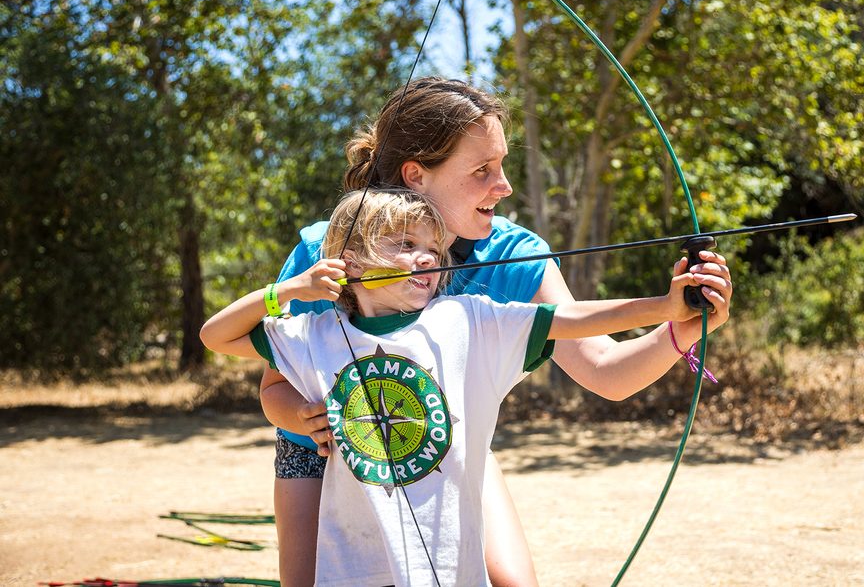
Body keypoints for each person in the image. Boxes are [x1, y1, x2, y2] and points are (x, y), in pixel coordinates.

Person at [261, 77, 733, 586]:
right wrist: (309, 418)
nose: (504, 185)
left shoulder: (515, 253)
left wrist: (680, 327)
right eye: (483, 169)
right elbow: (273, 389)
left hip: (442, 447)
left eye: (503, 164)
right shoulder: (333, 251)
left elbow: (607, 372)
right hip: (323, 454)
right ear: (416, 175)